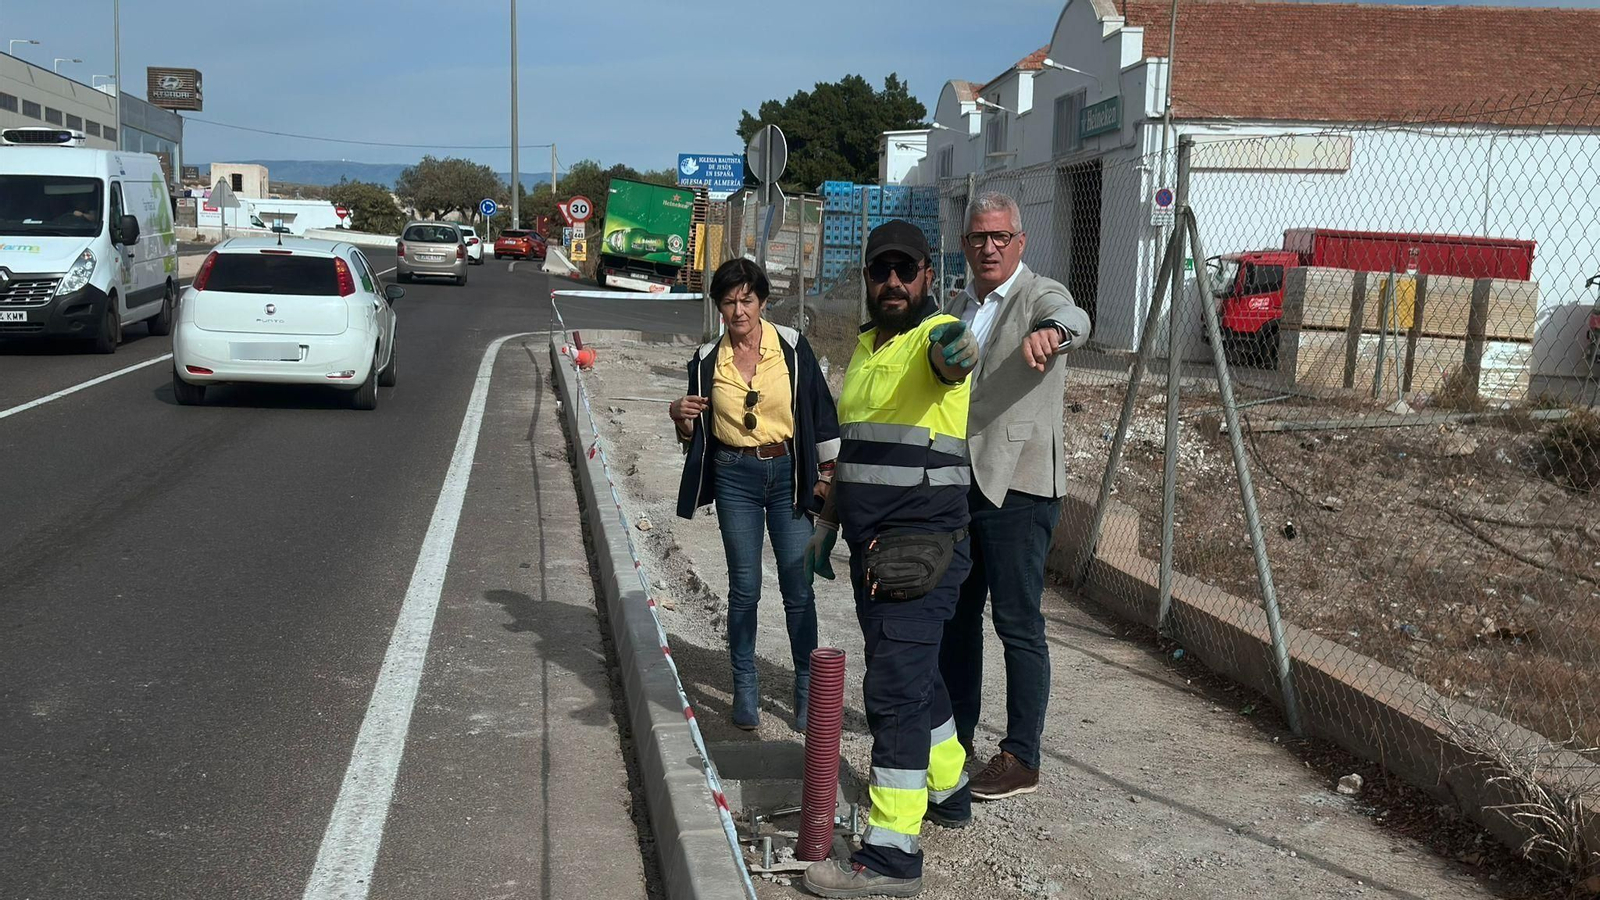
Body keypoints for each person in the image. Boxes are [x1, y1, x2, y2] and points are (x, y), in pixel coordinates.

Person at [800, 221, 980, 899]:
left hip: (921, 551)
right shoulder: (873, 345)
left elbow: (955, 356)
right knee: (915, 674)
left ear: (928, 275)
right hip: (874, 548)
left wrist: (959, 345)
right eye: (883, 271)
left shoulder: (931, 341)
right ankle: (951, 787)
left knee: (895, 693)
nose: (895, 282)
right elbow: (860, 451)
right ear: (870, 278)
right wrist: (827, 523)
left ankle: (891, 854)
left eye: (907, 270)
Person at [938, 191, 1091, 802]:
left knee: (1018, 623)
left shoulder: (1038, 295)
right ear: (966, 243)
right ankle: (957, 736)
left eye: (1000, 237)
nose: (989, 247)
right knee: (957, 618)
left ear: (1020, 242)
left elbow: (1074, 316)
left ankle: (1023, 755)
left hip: (1019, 487)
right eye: (979, 237)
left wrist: (1052, 332)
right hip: (960, 482)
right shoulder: (959, 303)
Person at [670, 258, 841, 732]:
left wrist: (826, 477)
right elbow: (693, 433)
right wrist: (679, 416)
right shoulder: (706, 360)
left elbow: (821, 414)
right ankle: (745, 686)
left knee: (797, 586)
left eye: (747, 299)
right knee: (744, 589)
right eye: (729, 301)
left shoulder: (792, 347)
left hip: (789, 475)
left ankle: (805, 686)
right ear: (719, 307)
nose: (739, 310)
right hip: (733, 477)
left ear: (763, 301)